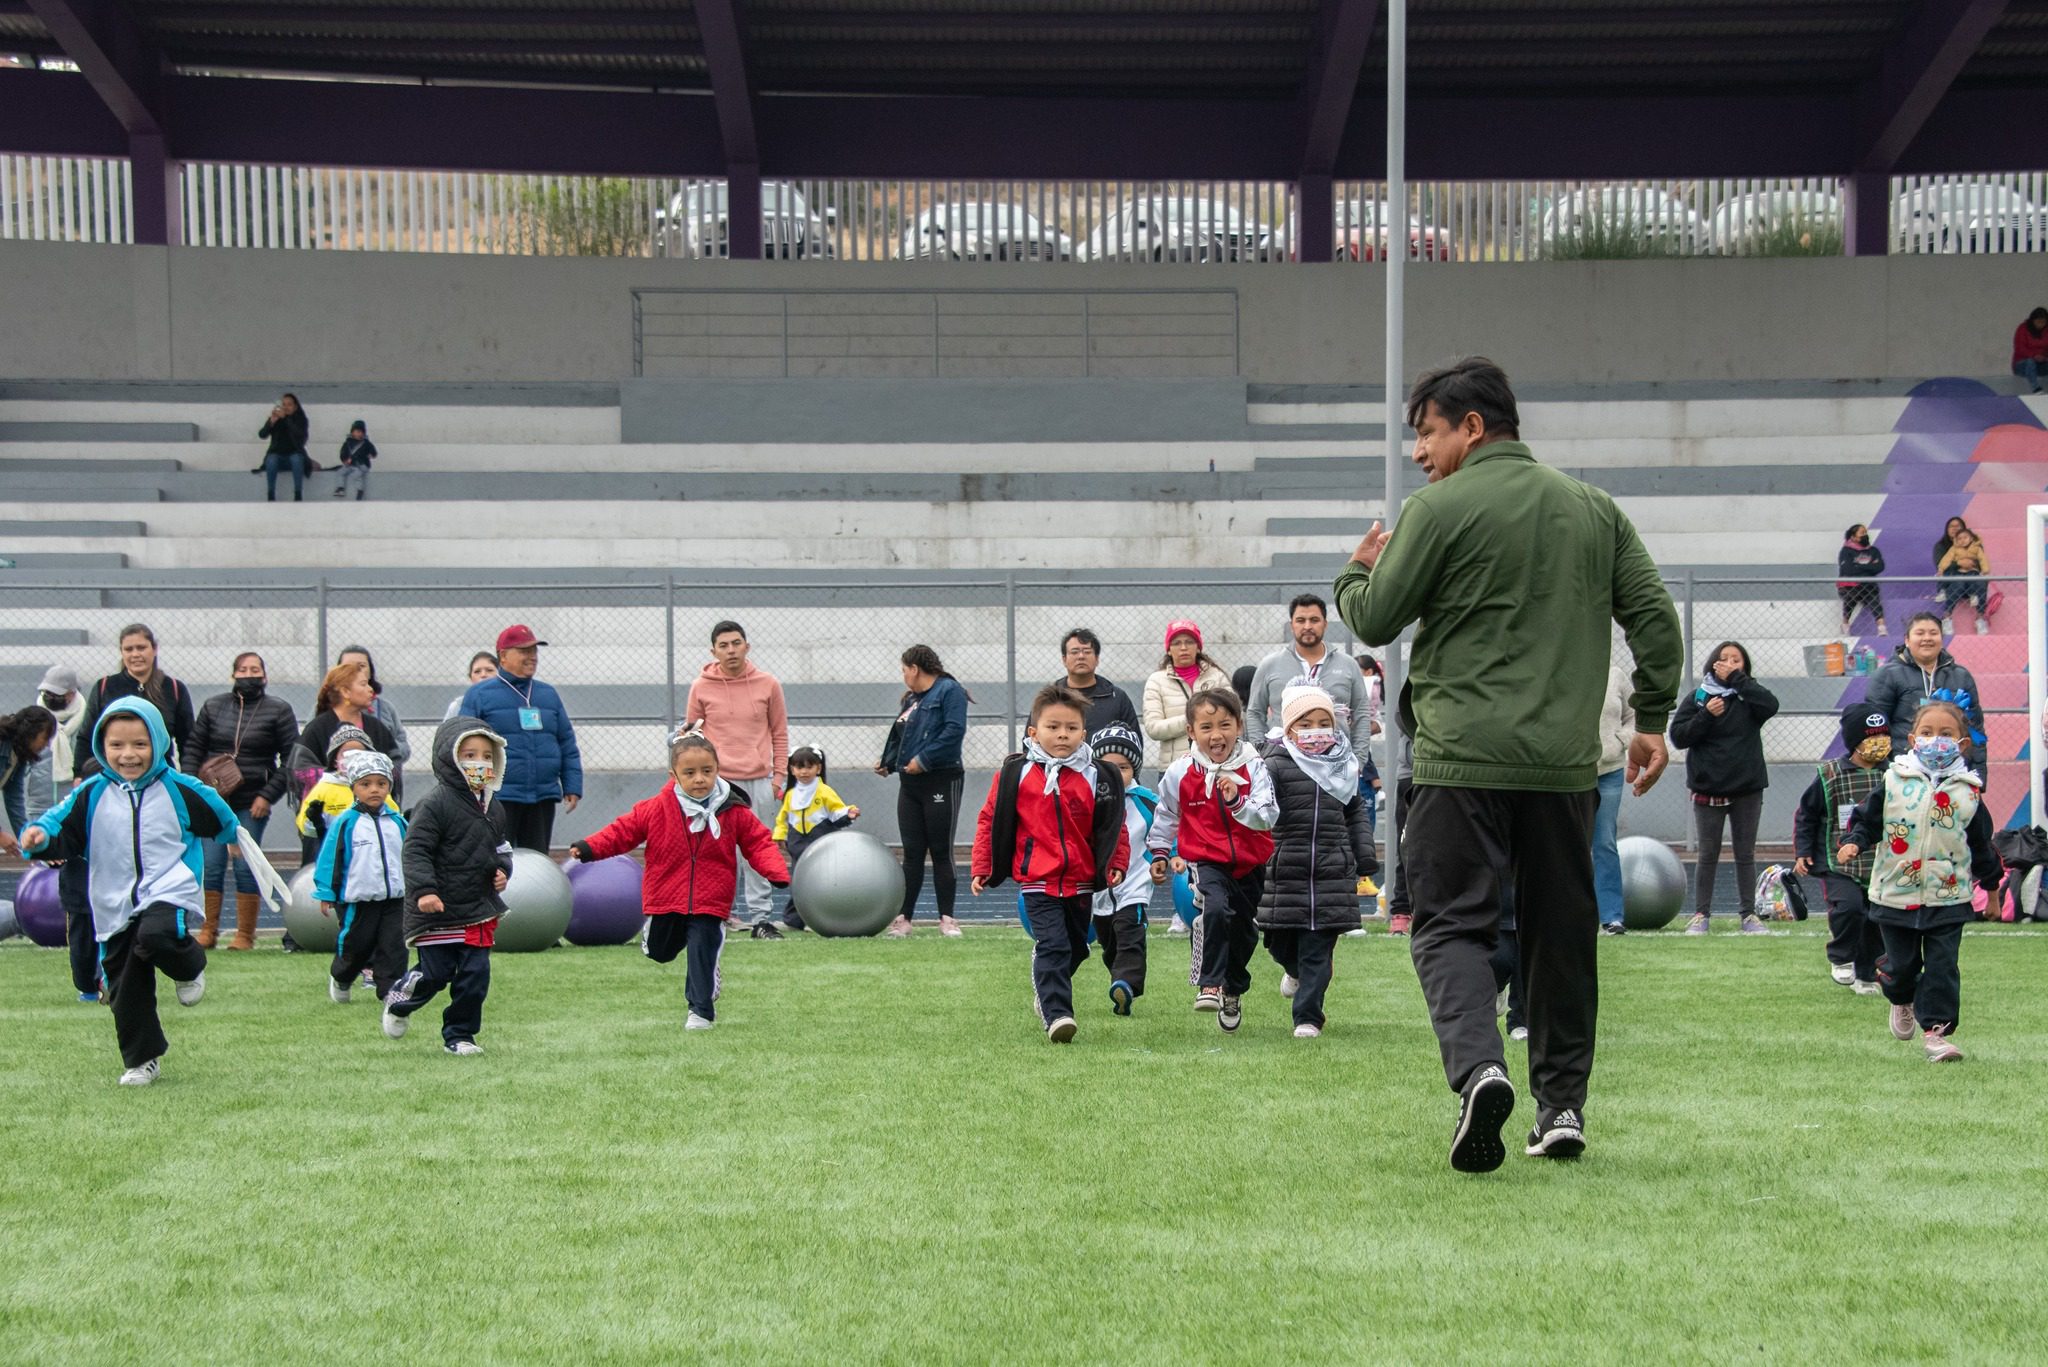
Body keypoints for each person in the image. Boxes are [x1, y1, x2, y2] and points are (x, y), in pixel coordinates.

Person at [1333, 356, 1682, 1172]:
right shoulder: (1596, 510)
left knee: (1449, 922)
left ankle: (1480, 1068)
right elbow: (1655, 622)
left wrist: (1354, 572)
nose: (1419, 452)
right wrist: (1653, 720)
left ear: (1473, 427)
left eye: (1427, 432)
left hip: (1458, 764)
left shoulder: (1438, 508)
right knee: (1562, 937)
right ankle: (1560, 1107)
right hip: (1565, 770)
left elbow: (1379, 614)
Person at [23, 699, 283, 1086]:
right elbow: (60, 828)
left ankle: (189, 966)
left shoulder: (179, 789)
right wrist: (39, 839)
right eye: (117, 746)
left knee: (157, 933)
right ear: (102, 746)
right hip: (112, 901)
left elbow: (220, 816)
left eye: (140, 744)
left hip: (169, 888)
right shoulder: (91, 793)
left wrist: (235, 837)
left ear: (158, 743)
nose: (128, 755)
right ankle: (142, 1059)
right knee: (124, 984)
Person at [570, 728, 789, 1030]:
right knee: (660, 952)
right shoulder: (656, 808)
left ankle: (700, 1011)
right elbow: (622, 831)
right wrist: (589, 847)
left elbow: (758, 842)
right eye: (690, 772)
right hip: (665, 896)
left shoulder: (733, 810)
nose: (699, 778)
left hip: (711, 898)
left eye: (707, 771)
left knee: (703, 945)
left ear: (717, 770)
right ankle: (662, 942)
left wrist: (776, 872)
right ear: (673, 774)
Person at [1836, 701, 2002, 1063]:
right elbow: (1867, 821)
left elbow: (1982, 846)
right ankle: (1899, 996)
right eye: (1927, 733)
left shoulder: (1968, 793)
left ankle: (1937, 1032)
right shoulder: (1893, 780)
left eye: (1946, 734)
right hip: (1895, 893)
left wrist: (1991, 892)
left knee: (1943, 967)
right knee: (1901, 967)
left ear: (1961, 745)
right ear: (1912, 739)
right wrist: (1853, 843)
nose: (1935, 741)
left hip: (1949, 897)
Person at [969, 686, 1130, 1044]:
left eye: (1071, 728)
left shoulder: (1097, 776)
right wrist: (982, 864)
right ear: (1033, 732)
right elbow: (989, 818)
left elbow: (1112, 823)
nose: (1062, 735)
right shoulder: (1017, 774)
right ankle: (1058, 1015)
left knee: (1075, 948)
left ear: (1083, 734)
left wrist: (1116, 861)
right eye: (1053, 727)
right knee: (1054, 945)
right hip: (1037, 880)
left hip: (1081, 880)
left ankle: (1044, 983)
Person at [1146, 686, 1277, 1033]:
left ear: (1239, 726)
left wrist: (1237, 803)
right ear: (1191, 732)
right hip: (1206, 862)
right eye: (1206, 727)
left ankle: (1233, 989)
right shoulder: (1180, 773)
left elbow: (1268, 816)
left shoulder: (1254, 767)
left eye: (1224, 725)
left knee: (1245, 932)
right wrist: (1160, 851)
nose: (1216, 735)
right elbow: (1166, 815)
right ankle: (1210, 983)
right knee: (1215, 909)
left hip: (1249, 864)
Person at [382, 717, 514, 1054]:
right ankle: (399, 1001)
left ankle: (459, 1035)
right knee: (434, 974)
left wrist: (502, 871)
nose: (479, 763)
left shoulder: (494, 807)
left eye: (487, 756)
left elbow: (500, 848)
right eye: (470, 754)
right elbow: (416, 850)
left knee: (475, 976)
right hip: (437, 910)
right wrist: (425, 891)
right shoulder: (434, 803)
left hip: (478, 908)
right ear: (449, 758)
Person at [1257, 685, 1377, 1039]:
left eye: (1324, 722)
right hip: (1284, 870)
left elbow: (1355, 813)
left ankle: (1308, 1017)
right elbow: (1260, 811)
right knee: (1278, 943)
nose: (1316, 730)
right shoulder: (1274, 764)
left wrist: (1363, 855)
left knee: (1318, 950)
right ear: (1289, 727)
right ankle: (1293, 972)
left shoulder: (1344, 765)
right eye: (1306, 723)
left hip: (1331, 872)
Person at [182, 653, 300, 950]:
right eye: (243, 669)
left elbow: (291, 760)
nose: (248, 674)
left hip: (252, 801)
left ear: (265, 675)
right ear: (233, 674)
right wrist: (192, 788)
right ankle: (208, 929)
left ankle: (245, 934)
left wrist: (267, 795)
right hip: (212, 799)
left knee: (246, 864)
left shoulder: (279, 710)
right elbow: (194, 748)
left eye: (255, 669)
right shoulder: (213, 706)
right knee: (212, 862)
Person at [685, 620, 790, 929]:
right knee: (716, 852)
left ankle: (761, 919)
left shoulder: (768, 684)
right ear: (713, 651)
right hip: (717, 784)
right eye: (723, 645)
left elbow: (779, 733)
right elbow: (692, 738)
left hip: (759, 780)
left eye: (736, 643)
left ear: (747, 646)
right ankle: (718, 915)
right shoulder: (700, 687)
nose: (731, 650)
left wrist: (777, 779)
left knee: (757, 851)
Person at [1670, 641, 1780, 934]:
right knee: (1708, 854)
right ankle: (1700, 915)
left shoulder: (1750, 697)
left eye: (1737, 660)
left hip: (1747, 788)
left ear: (1744, 666)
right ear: (1712, 664)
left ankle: (1749, 915)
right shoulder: (1699, 697)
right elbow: (1679, 737)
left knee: (1745, 854)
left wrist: (1737, 681)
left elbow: (1772, 706)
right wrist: (1706, 715)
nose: (1730, 663)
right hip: (1709, 788)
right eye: (1724, 659)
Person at [1793, 703, 1892, 996]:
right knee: (1849, 908)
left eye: (1883, 736)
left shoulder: (1895, 774)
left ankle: (1866, 974)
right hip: (1838, 863)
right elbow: (1807, 814)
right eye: (1871, 737)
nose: (1879, 743)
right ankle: (1841, 956)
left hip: (1880, 862)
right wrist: (1803, 850)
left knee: (1876, 919)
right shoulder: (1830, 775)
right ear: (1854, 741)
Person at [457, 625, 582, 852]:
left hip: (542, 796)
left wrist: (572, 785)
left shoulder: (548, 694)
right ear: (503, 656)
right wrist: (471, 790)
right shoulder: (480, 695)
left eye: (534, 651)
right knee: (495, 858)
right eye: (524, 651)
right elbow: (462, 742)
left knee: (536, 861)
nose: (532, 657)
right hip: (498, 797)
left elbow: (566, 742)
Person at [877, 644, 970, 938]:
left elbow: (953, 731)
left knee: (941, 850)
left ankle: (947, 918)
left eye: (904, 670)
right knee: (912, 852)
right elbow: (904, 738)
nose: (903, 676)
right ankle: (904, 918)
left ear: (915, 668)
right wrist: (889, 763)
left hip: (941, 779)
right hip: (910, 784)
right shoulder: (912, 700)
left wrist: (924, 760)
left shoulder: (949, 691)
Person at [314, 750, 408, 1004]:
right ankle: (342, 976)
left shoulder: (397, 821)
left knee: (394, 945)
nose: (374, 790)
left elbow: (410, 855)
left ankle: (391, 989)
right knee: (356, 944)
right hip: (358, 899)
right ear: (354, 787)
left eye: (381, 783)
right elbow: (330, 860)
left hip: (395, 899)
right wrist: (326, 892)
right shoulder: (346, 822)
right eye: (366, 784)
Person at [1246, 595, 1374, 757]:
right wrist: (1262, 753)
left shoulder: (1348, 665)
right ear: (1292, 625)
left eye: (1314, 620)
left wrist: (1359, 761)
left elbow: (1362, 714)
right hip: (1284, 761)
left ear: (1325, 624)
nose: (1307, 626)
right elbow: (1255, 712)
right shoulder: (1270, 664)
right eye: (1300, 620)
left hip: (1336, 762)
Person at [1865, 612, 1987, 781]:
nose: (1927, 638)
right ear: (1907, 640)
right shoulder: (1887, 675)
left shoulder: (1961, 676)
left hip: (1953, 773)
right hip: (1905, 772)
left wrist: (1978, 775)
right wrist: (1885, 773)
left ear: (1941, 639)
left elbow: (1976, 728)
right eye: (1920, 633)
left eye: (1933, 633)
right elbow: (1874, 730)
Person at [1086, 723, 1154, 1017]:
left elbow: (1167, 831)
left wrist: (1168, 857)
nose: (1115, 774)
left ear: (1134, 770)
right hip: (1099, 891)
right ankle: (1119, 983)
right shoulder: (1087, 800)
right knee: (1109, 944)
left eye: (1123, 767)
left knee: (1130, 934)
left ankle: (1126, 982)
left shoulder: (1147, 802)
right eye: (1107, 767)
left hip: (1134, 885)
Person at [73, 624, 195, 782]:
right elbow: (86, 736)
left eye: (141, 648)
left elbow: (188, 741)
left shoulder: (174, 688)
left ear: (154, 649)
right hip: (111, 778)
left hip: (160, 779)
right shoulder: (105, 687)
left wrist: (188, 780)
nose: (135, 654)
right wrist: (79, 774)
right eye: (129, 649)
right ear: (121, 652)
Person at [772, 745, 857, 932]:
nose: (804, 771)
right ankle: (793, 921)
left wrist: (849, 812)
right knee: (799, 882)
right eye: (799, 767)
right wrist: (779, 835)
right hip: (797, 843)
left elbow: (837, 810)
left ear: (818, 768)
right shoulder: (791, 794)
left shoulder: (824, 791)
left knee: (820, 883)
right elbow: (783, 817)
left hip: (819, 840)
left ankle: (819, 918)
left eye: (809, 767)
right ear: (792, 770)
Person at [1140, 619, 1230, 771]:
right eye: (1176, 643)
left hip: (1215, 765)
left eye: (1189, 642)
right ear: (1168, 649)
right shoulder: (1156, 681)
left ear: (1198, 647)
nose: (1183, 648)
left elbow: (1233, 715)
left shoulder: (1216, 677)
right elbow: (1153, 728)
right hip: (1175, 768)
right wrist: (1193, 719)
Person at [1592, 660, 1635, 935]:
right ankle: (1565, 914)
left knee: (1605, 842)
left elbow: (1633, 716)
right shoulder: (1557, 667)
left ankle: (1611, 916)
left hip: (1609, 772)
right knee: (1564, 846)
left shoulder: (1615, 675)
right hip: (1568, 773)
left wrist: (1622, 740)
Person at [335, 646, 411, 794]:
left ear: (370, 671)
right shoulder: (325, 710)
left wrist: (382, 751)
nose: (355, 671)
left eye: (361, 666)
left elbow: (404, 749)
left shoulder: (386, 709)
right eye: (348, 666)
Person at [22, 665, 83, 821]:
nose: (49, 697)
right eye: (46, 692)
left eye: (55, 694)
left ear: (71, 693)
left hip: (72, 803)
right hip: (38, 804)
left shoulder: (86, 719)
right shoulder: (32, 719)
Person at [1054, 628, 1140, 736]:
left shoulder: (1116, 698)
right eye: (1074, 652)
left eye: (1087, 652)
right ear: (1064, 659)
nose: (1081, 656)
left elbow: (1134, 742)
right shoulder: (1051, 697)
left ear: (1097, 659)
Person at [0, 705, 56, 856]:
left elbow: (13, 799)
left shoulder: (19, 754)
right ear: (31, 732)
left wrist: (28, 838)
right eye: (45, 738)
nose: (47, 744)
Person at [1936, 527, 1994, 635]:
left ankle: (1980, 617)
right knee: (1957, 584)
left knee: (1979, 581)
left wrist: (1985, 570)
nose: (1962, 540)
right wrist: (1941, 568)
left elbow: (1982, 559)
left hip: (1972, 571)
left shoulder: (1977, 548)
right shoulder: (1954, 549)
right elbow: (1947, 559)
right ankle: (1947, 618)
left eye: (1965, 538)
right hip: (1960, 572)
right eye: (1959, 539)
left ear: (1971, 538)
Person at [257, 392, 310, 503]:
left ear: (295, 407)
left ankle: (298, 494)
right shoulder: (277, 419)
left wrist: (286, 418)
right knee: (271, 459)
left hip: (294, 455)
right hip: (278, 456)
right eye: (284, 404)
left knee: (296, 459)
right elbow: (262, 435)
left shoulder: (300, 419)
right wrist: (271, 422)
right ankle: (271, 494)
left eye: (289, 404)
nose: (286, 407)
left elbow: (300, 434)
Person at [1837, 524, 1886, 638]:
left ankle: (1881, 627)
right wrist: (1869, 566)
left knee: (1874, 599)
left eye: (1865, 532)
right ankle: (1845, 624)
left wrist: (1858, 566)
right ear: (1853, 537)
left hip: (1869, 585)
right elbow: (1847, 569)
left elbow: (1879, 567)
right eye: (1862, 533)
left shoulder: (1873, 550)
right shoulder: (1846, 551)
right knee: (1851, 597)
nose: (1865, 535)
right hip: (1850, 585)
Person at [444, 652, 499, 721]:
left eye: (489, 670)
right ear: (471, 678)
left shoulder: (508, 701)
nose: (483, 675)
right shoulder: (457, 706)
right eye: (477, 671)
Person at [333, 419, 378, 501]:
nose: (359, 434)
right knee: (340, 472)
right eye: (357, 431)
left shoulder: (366, 443)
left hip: (362, 464)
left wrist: (371, 455)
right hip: (351, 464)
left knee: (357, 475)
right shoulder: (347, 443)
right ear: (352, 432)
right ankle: (340, 488)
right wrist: (345, 460)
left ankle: (360, 491)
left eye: (361, 432)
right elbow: (343, 453)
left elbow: (373, 452)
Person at [2013, 306, 2048, 393]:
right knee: (2030, 362)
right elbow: (2019, 348)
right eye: (2038, 322)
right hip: (2022, 364)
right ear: (2032, 320)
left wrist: (2044, 357)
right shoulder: (2023, 329)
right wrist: (2034, 356)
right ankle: (2035, 388)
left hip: (2042, 363)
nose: (2041, 325)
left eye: (2043, 322)